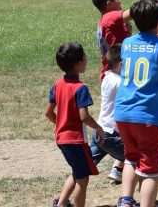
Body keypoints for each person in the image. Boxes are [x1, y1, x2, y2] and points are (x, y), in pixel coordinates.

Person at [114, 0, 158, 207]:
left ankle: (126, 200)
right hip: (148, 115)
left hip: (123, 112)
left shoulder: (127, 43)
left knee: (130, 157)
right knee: (151, 169)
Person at [46, 42, 104, 207]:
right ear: (78, 63)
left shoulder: (57, 84)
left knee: (77, 173)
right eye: (84, 57)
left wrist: (61, 125)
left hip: (62, 139)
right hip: (76, 141)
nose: (86, 60)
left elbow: (48, 113)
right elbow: (84, 117)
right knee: (82, 180)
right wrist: (98, 128)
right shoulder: (80, 88)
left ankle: (61, 204)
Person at [92, 0, 156, 79]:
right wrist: (144, 0)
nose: (120, 1)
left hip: (115, 71)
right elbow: (135, 12)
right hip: (116, 74)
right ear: (109, 4)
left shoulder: (105, 20)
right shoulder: (109, 17)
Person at [88, 45, 127, 184]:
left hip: (99, 130)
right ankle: (128, 198)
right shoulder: (121, 83)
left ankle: (63, 198)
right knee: (135, 158)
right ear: (122, 64)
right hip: (111, 135)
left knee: (84, 167)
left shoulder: (107, 77)